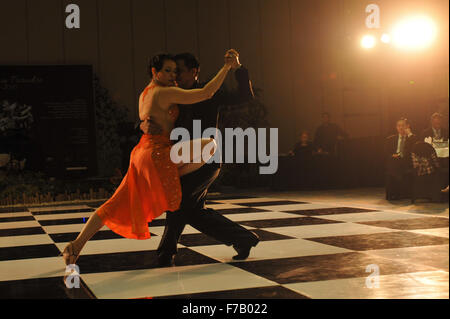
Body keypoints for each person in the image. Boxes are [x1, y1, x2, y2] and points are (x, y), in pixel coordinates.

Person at [61, 51, 237, 267]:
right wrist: (227, 66)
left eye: (175, 71)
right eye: (168, 71)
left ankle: (75, 246)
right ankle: (167, 182)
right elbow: (207, 92)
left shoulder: (145, 93)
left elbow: (148, 120)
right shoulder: (166, 93)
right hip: (157, 154)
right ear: (155, 72)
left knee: (112, 204)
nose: (173, 75)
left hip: (141, 154)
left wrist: (144, 124)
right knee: (211, 144)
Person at [140, 51, 259, 266]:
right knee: (194, 211)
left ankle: (165, 253)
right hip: (182, 159)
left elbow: (245, 96)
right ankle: (243, 239)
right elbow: (149, 115)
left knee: (179, 203)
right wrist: (143, 124)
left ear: (194, 72)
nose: (176, 75)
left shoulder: (209, 91)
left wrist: (238, 68)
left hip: (206, 158)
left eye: (180, 71)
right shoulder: (171, 94)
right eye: (173, 71)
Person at [385, 118, 419, 200]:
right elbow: (386, 153)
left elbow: (416, 149)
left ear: (407, 126)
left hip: (407, 162)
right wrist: (392, 155)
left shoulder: (412, 138)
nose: (400, 128)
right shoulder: (391, 139)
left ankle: (395, 193)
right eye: (398, 126)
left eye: (403, 125)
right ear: (396, 127)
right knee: (394, 161)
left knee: (395, 165)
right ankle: (396, 192)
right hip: (395, 161)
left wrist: (409, 134)